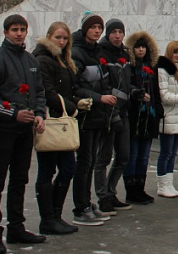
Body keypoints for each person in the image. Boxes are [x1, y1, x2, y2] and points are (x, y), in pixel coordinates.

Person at [0, 14, 48, 253]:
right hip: (2, 129)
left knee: (20, 178)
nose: (19, 33)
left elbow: (39, 91)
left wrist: (39, 114)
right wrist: (13, 113)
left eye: (22, 29)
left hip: (24, 130)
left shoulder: (31, 60)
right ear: (6, 32)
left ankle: (16, 227)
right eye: (14, 29)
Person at [31, 21, 85, 234]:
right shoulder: (43, 59)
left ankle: (54, 215)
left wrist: (76, 102)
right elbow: (47, 91)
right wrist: (73, 107)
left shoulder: (63, 60)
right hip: (51, 121)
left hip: (62, 121)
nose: (61, 42)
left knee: (67, 169)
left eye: (65, 38)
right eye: (58, 38)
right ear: (49, 37)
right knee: (47, 170)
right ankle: (48, 219)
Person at [71, 12, 115, 225]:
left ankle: (87, 203)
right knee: (84, 162)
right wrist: (99, 98)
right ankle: (80, 207)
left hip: (99, 114)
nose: (97, 31)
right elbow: (76, 86)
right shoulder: (77, 51)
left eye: (99, 27)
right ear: (85, 29)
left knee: (90, 162)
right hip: (86, 113)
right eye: (93, 27)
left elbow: (103, 79)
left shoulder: (98, 51)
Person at [121, 29, 162, 205]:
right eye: (137, 47)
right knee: (133, 154)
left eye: (143, 47)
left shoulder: (152, 67)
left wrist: (158, 109)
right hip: (134, 116)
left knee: (144, 156)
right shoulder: (129, 67)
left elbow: (156, 90)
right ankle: (131, 190)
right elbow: (125, 86)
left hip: (149, 117)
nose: (140, 51)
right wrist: (136, 94)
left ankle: (141, 188)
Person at [96, 18, 132, 213]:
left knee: (123, 156)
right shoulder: (101, 53)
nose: (117, 36)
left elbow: (126, 82)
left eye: (120, 32)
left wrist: (134, 91)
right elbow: (104, 85)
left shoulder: (124, 54)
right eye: (113, 32)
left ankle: (111, 191)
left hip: (124, 112)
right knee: (103, 158)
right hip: (108, 113)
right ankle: (103, 197)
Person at [156, 40, 178, 198]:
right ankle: (162, 185)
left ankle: (169, 184)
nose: (177, 56)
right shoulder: (162, 70)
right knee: (166, 152)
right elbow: (163, 96)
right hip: (169, 116)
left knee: (172, 152)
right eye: (175, 52)